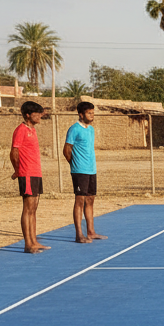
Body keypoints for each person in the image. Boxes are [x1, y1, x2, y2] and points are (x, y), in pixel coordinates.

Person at [63, 101, 107, 244]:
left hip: (91, 169)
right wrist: (75, 165)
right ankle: (79, 234)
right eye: (89, 113)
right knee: (80, 201)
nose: (92, 115)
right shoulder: (74, 129)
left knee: (90, 199)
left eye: (93, 113)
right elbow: (66, 150)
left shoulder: (91, 129)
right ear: (81, 114)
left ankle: (91, 231)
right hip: (79, 171)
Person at [10, 100, 49, 254]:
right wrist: (18, 170)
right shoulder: (20, 130)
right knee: (28, 208)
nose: (40, 116)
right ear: (28, 115)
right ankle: (28, 243)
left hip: (36, 172)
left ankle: (34, 240)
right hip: (27, 173)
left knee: (34, 208)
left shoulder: (32, 130)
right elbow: (14, 152)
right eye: (37, 113)